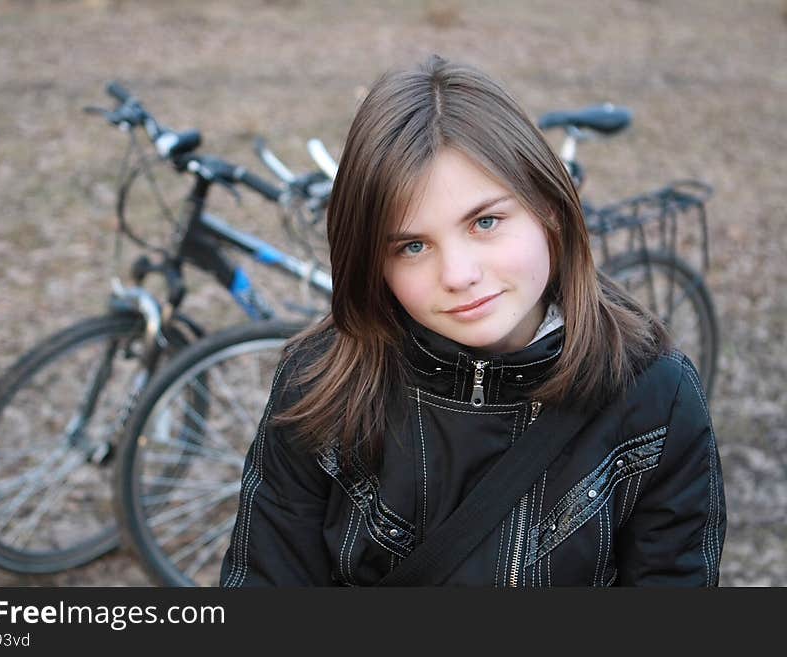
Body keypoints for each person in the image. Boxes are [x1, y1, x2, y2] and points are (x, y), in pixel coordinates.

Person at [219, 55, 726, 587]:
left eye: (485, 221)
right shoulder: (318, 387)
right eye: (413, 245)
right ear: (373, 262)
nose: (458, 275)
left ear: (550, 208)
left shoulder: (655, 397)